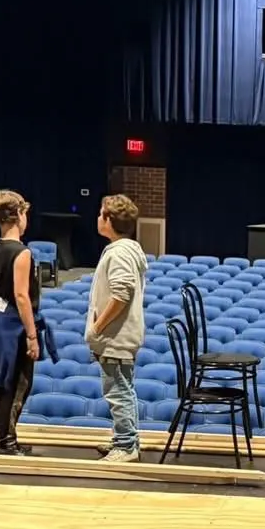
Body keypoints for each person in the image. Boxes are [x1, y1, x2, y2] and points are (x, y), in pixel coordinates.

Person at [86, 193, 147, 463]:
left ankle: (126, 445)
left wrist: (98, 327)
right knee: (124, 389)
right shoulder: (124, 250)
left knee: (118, 392)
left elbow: (122, 294)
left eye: (101, 214)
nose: (98, 218)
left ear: (109, 220)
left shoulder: (120, 253)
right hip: (118, 336)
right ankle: (126, 438)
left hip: (116, 337)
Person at [0, 189, 40, 456]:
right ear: (18, 215)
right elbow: (21, 296)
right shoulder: (22, 253)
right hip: (17, 326)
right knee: (18, 383)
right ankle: (7, 441)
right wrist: (32, 336)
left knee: (2, 382)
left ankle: (1, 434)